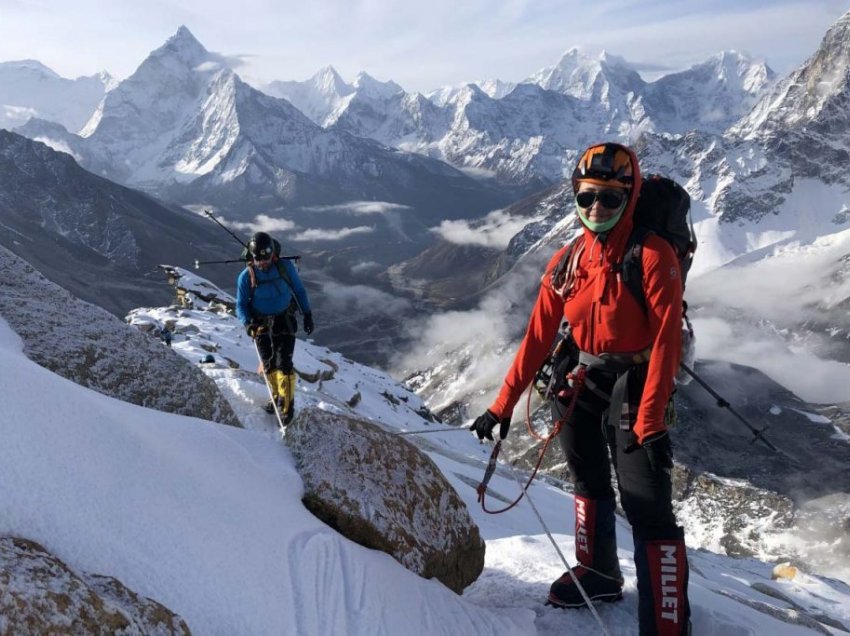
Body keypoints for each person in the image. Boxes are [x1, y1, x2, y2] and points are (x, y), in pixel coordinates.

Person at [471, 142, 691, 635]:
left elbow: (665, 342)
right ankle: (598, 573)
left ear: (629, 198)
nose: (597, 209)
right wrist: (502, 405)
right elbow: (538, 335)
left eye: (611, 199)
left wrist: (651, 419)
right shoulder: (570, 258)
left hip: (635, 387)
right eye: (588, 196)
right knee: (587, 479)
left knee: (647, 506)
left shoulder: (653, 256)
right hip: (579, 378)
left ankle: (667, 622)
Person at [236, 231, 313, 424]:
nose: (263, 263)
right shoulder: (246, 277)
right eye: (259, 260)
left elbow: (299, 290)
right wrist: (247, 323)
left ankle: (287, 405)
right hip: (260, 324)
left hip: (284, 319)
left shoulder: (284, 268)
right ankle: (277, 397)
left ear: (274, 255)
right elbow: (241, 305)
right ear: (252, 258)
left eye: (266, 259)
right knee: (269, 364)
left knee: (283, 363)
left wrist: (307, 313)